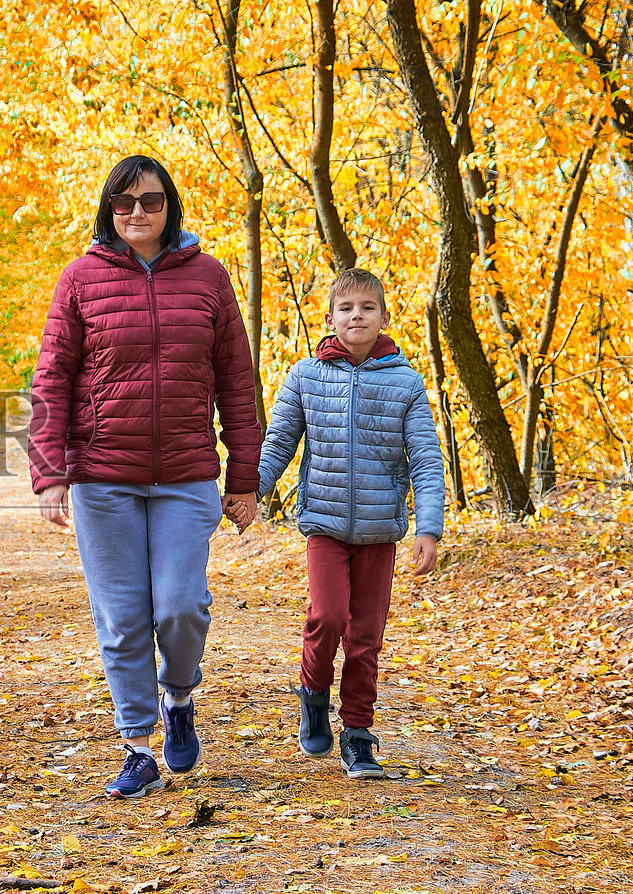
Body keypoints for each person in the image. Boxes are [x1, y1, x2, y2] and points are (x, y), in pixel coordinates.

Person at [29, 155, 261, 799]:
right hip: (103, 476)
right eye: (124, 202)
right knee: (123, 618)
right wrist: (49, 471)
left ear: (169, 206)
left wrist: (244, 477)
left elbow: (237, 382)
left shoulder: (209, 278)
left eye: (151, 201)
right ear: (109, 209)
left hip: (186, 475)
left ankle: (178, 697)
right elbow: (52, 377)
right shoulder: (80, 279)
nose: (138, 212)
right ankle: (137, 746)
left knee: (181, 606)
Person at [255, 267, 445, 778]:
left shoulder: (406, 383)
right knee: (329, 617)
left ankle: (358, 734)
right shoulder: (305, 377)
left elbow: (426, 459)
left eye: (367, 308)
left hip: (380, 531)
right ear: (330, 319)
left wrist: (428, 528)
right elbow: (278, 443)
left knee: (365, 636)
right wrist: (249, 492)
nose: (356, 316)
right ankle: (313, 692)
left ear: (384, 317)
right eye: (346, 308)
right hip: (325, 524)